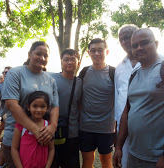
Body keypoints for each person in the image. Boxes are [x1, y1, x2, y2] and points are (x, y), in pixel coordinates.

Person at [2, 41, 59, 167]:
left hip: (43, 141)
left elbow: (54, 106)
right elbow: (12, 105)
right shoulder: (15, 74)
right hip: (16, 139)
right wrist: (36, 131)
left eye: (46, 56)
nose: (42, 58)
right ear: (29, 54)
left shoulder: (51, 80)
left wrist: (52, 127)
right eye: (38, 53)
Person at [113, 28, 164, 168]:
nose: (139, 48)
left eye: (145, 43)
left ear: (157, 44)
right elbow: (127, 112)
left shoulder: (162, 68)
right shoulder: (134, 74)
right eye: (135, 45)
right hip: (134, 154)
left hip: (157, 158)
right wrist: (118, 147)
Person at [79, 38, 115, 168]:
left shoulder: (113, 72)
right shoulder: (84, 72)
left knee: (106, 161)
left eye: (100, 50)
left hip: (106, 127)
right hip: (86, 126)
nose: (96, 54)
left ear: (107, 51)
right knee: (87, 161)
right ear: (89, 53)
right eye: (93, 50)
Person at [49, 48, 81, 168]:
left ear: (78, 63)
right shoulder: (51, 78)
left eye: (73, 60)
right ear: (61, 62)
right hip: (52, 130)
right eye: (66, 59)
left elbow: (80, 105)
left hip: (71, 132)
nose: (69, 62)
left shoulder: (80, 82)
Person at [114, 24, 140, 168]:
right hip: (123, 128)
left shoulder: (159, 62)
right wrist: (116, 126)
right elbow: (118, 97)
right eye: (122, 38)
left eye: (129, 36)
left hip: (146, 126)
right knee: (124, 162)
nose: (125, 41)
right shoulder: (120, 67)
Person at [11, 91, 55, 168]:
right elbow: (14, 149)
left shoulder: (48, 127)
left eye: (42, 106)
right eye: (35, 106)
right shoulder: (21, 126)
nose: (38, 110)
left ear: (47, 108)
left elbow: (51, 150)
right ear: (28, 107)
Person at [0, 66, 11, 168]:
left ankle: (2, 161)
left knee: (3, 131)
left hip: (14, 116)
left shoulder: (16, 84)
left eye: (7, 72)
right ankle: (1, 163)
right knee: (6, 138)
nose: (5, 74)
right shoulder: (0, 86)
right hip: (5, 115)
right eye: (4, 72)